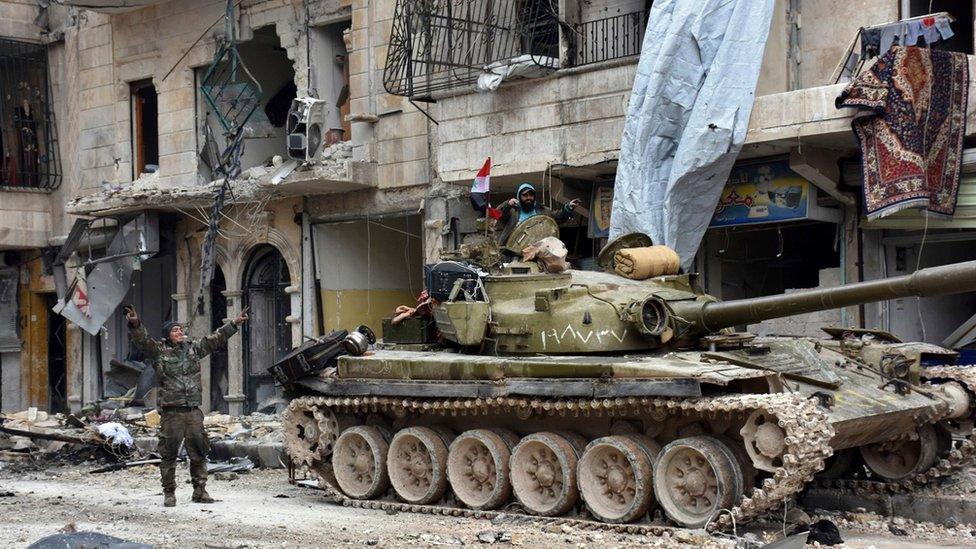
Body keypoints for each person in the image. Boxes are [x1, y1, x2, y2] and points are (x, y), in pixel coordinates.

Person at [125, 306, 248, 507]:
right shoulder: (158, 351)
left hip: (193, 411)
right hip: (172, 413)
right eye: (175, 330)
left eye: (181, 329)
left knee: (199, 452)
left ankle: (200, 490)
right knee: (169, 454)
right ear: (167, 335)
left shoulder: (193, 348)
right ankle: (169, 493)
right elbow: (142, 341)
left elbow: (215, 339)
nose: (180, 332)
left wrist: (234, 324)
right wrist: (135, 323)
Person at [497, 183, 582, 244]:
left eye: (531, 195)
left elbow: (558, 217)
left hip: (537, 249)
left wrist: (569, 207)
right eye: (525, 195)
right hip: (514, 250)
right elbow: (498, 214)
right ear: (519, 196)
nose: (528, 198)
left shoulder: (542, 210)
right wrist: (507, 204)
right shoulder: (512, 211)